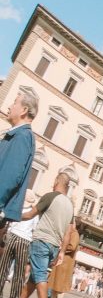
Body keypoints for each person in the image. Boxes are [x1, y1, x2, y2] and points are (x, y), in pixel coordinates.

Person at [7, 172, 75, 298]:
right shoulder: (69, 205)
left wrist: (14, 214)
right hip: (55, 246)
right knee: (35, 276)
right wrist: (62, 252)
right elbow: (68, 232)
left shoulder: (50, 196)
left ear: (57, 181)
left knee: (39, 275)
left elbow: (31, 214)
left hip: (42, 240)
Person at [0, 89, 38, 230]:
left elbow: (10, 176)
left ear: (24, 110)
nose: (10, 106)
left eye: (14, 103)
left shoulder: (22, 136)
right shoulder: (18, 135)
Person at [48, 219, 86, 298]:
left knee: (61, 285)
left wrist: (62, 247)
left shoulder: (74, 234)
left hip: (66, 262)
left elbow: (72, 246)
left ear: (74, 224)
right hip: (63, 261)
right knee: (56, 284)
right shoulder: (72, 233)